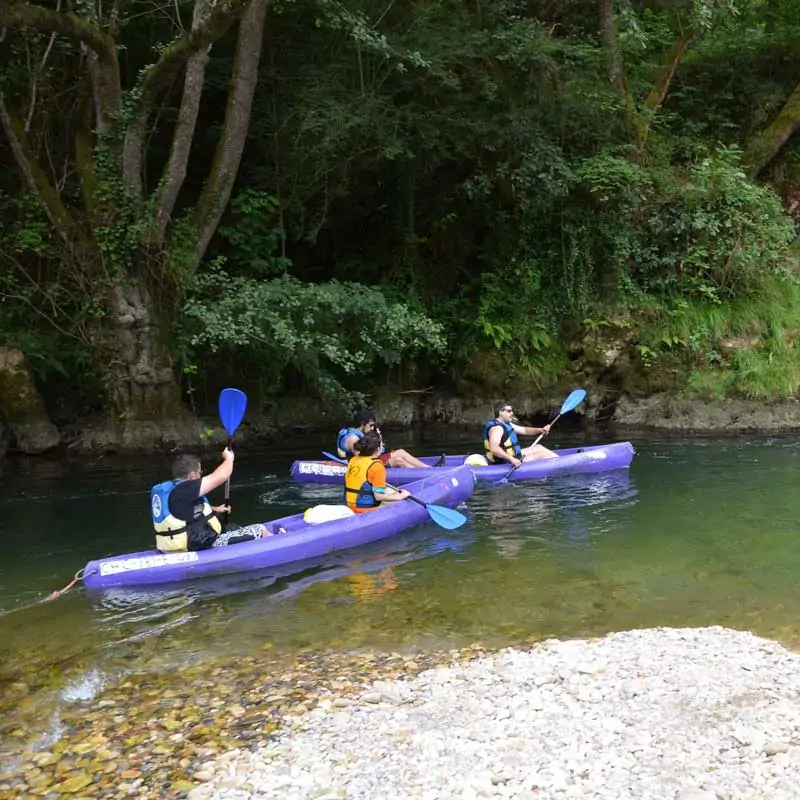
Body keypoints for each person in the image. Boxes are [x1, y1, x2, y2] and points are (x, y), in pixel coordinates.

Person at [151, 449, 270, 553]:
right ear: (193, 475)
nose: (201, 475)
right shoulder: (186, 488)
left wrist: (215, 509)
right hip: (194, 546)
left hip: (169, 546)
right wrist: (229, 458)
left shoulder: (170, 490)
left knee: (232, 527)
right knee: (260, 530)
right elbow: (221, 476)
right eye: (200, 472)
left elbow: (179, 511)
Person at [336, 408, 431, 468]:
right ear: (362, 423)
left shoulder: (356, 432)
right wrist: (379, 446)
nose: (372, 428)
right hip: (362, 464)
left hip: (370, 459)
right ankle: (421, 475)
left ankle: (427, 469)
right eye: (371, 425)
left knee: (400, 452)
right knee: (398, 460)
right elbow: (362, 459)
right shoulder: (352, 439)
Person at [344, 432, 410, 513]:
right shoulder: (376, 465)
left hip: (349, 505)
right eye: (382, 445)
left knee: (390, 490)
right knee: (399, 498)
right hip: (365, 509)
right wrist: (400, 496)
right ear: (378, 449)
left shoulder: (353, 460)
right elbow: (378, 496)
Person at [483, 400, 558, 467]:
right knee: (544, 455)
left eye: (512, 411)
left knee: (538, 447)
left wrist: (541, 430)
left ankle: (559, 460)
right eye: (509, 411)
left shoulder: (505, 424)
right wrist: (512, 459)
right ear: (501, 412)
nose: (512, 413)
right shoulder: (497, 428)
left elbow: (524, 430)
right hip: (506, 461)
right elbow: (494, 448)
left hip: (512, 457)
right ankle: (562, 464)